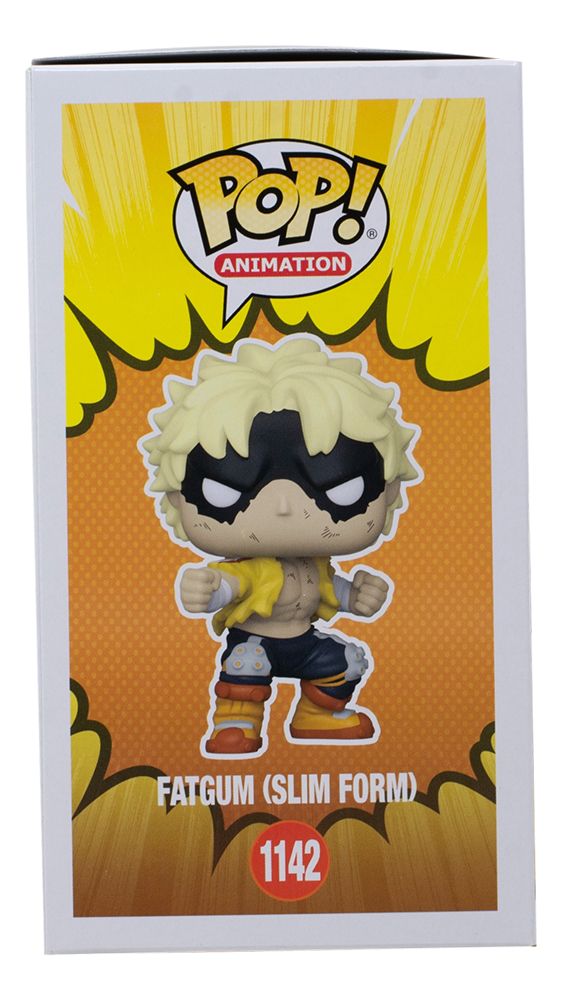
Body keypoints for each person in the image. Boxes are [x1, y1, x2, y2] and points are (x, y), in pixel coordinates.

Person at [142, 335, 420, 755]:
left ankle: (317, 714)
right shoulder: (250, 567)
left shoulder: (316, 566)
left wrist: (357, 596)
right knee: (245, 667)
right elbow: (229, 585)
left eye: (339, 487)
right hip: (256, 643)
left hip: (305, 642)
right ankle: (236, 721)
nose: (286, 508)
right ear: (178, 498)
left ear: (390, 487)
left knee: (346, 659)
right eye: (227, 490)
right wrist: (206, 591)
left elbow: (329, 589)